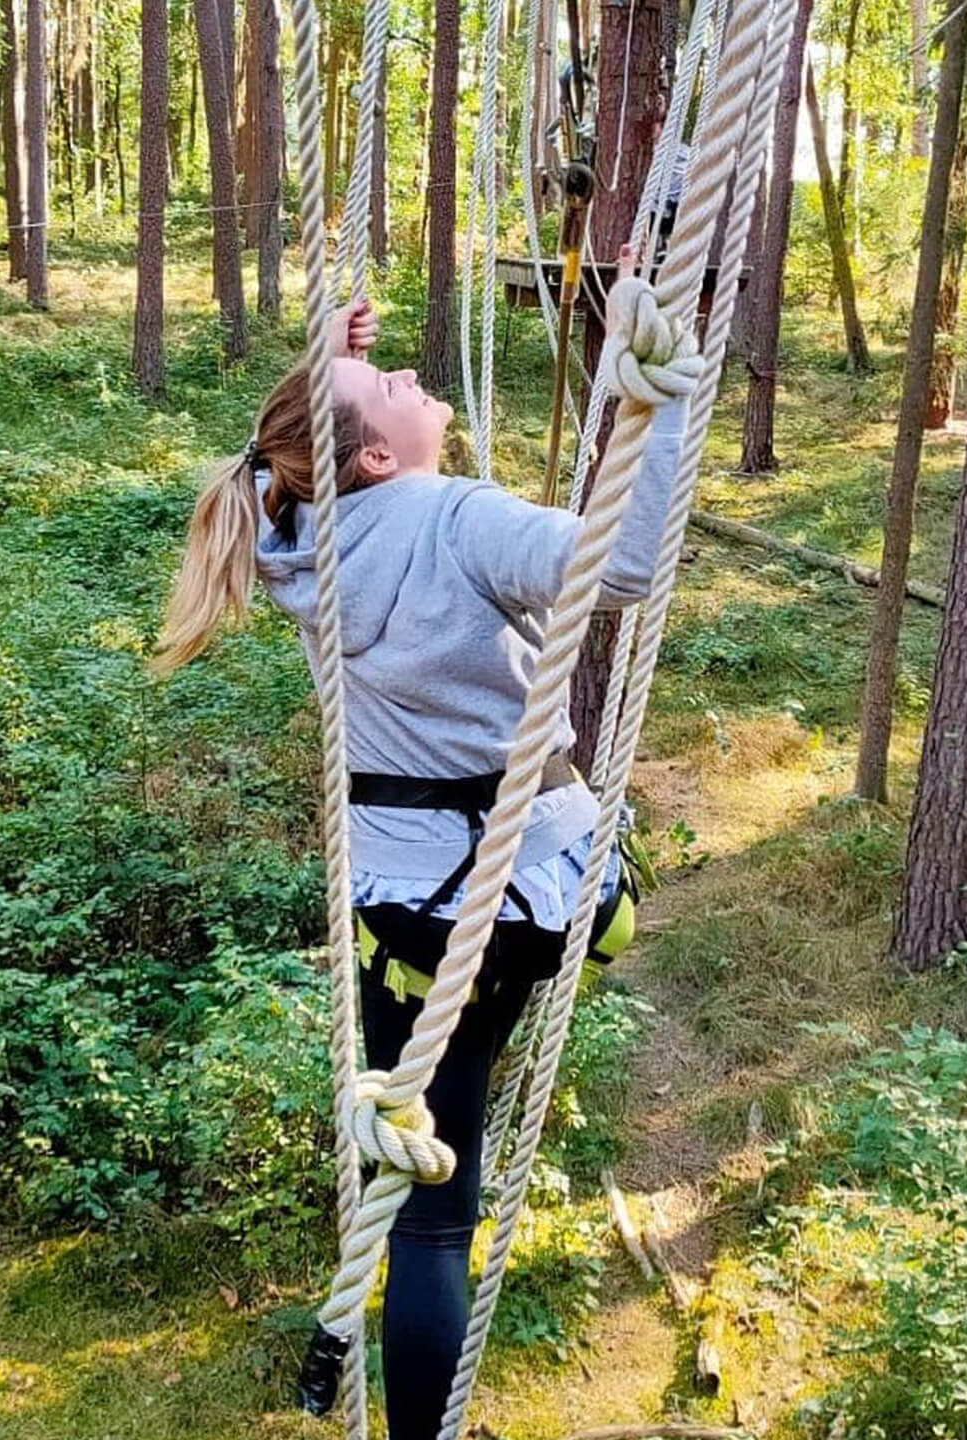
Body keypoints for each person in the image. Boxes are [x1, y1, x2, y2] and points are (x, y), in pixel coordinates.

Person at [153, 280, 682, 1440]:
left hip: (400, 908)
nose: (410, 375)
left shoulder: (301, 544)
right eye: (387, 385)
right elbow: (631, 567)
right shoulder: (458, 518)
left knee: (426, 1208)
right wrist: (671, 396)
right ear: (380, 457)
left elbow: (263, 468)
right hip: (513, 889)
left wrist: (326, 376)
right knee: (450, 1204)